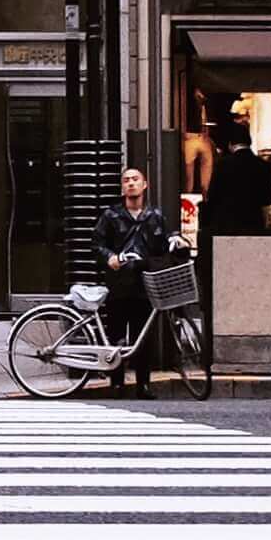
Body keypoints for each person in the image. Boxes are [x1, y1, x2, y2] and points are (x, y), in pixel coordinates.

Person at [98, 166, 185, 394]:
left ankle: (142, 383)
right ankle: (116, 382)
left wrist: (177, 242)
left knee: (142, 335)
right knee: (116, 333)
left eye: (135, 179)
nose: (131, 184)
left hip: (145, 283)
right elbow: (96, 244)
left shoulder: (155, 216)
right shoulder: (111, 215)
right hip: (119, 282)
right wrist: (110, 257)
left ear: (145, 185)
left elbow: (165, 243)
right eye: (126, 180)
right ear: (122, 187)